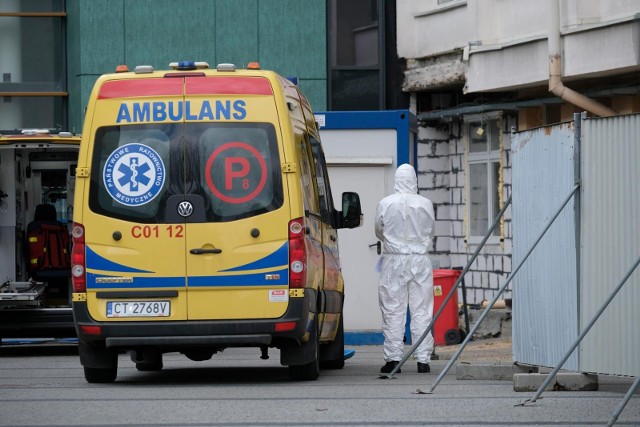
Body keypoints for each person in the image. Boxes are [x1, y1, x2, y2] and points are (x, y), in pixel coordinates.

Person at [375, 163, 435, 374]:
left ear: (397, 180)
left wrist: (393, 242)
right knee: (422, 309)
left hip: (394, 260)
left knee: (393, 308)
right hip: (420, 259)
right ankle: (423, 359)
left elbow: (378, 230)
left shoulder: (385, 203)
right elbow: (430, 230)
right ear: (415, 180)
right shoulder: (426, 203)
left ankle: (393, 360)